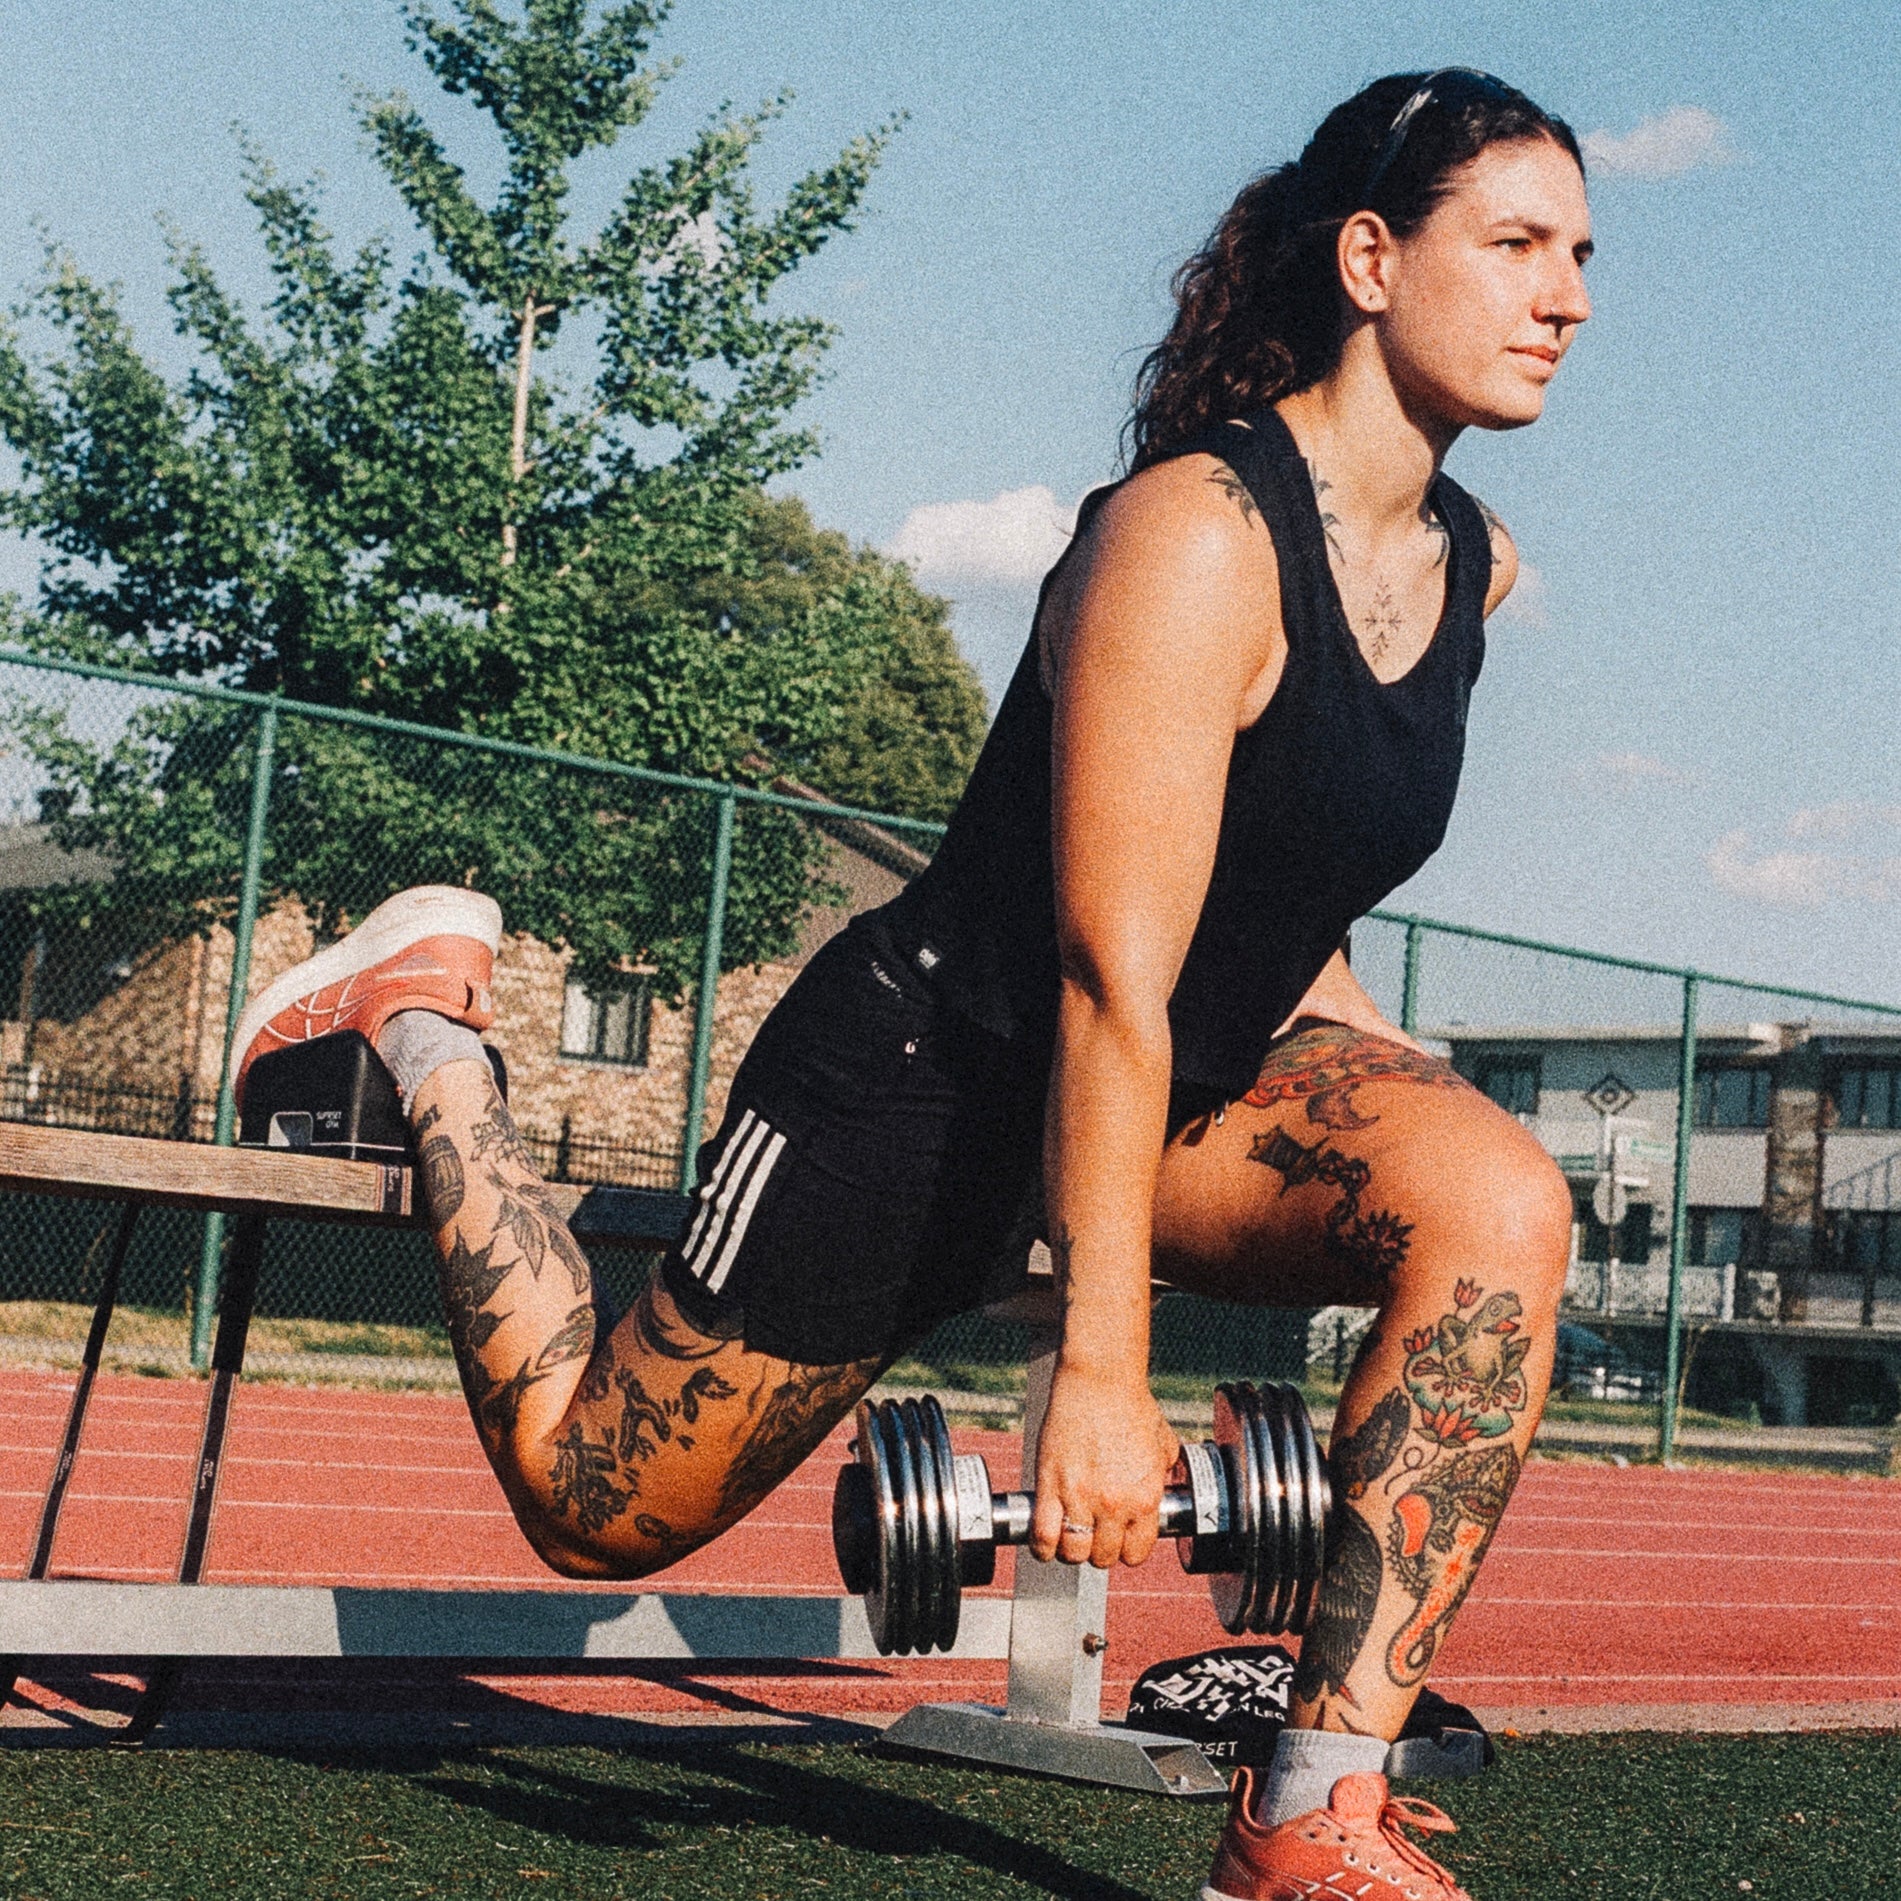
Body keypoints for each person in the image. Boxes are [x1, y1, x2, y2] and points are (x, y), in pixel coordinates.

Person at [232, 68, 1592, 1901]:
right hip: (932, 1077)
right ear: (1370, 257)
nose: (1563, 294)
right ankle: (421, 1027)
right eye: (1513, 244)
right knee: (594, 1500)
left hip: (1167, 1098)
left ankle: (1307, 1811)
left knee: (1502, 1196)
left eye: (1577, 252)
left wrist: (1363, 1054)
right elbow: (1112, 969)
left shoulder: (1470, 569)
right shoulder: (1193, 536)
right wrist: (1095, 1377)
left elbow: (1282, 859)